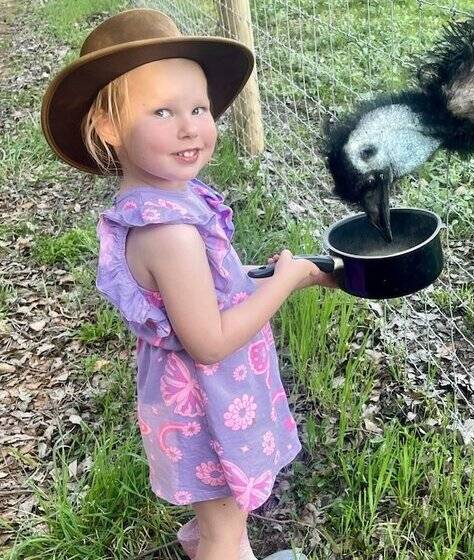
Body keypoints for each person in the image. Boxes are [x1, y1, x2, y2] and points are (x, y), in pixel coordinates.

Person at [40, 9, 335, 560]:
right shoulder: (168, 231)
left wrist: (279, 278)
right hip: (211, 407)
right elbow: (209, 339)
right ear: (108, 128)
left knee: (223, 521)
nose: (190, 127)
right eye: (162, 112)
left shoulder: (170, 200)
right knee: (226, 530)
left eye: (199, 108)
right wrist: (282, 285)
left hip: (212, 400)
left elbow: (204, 288)